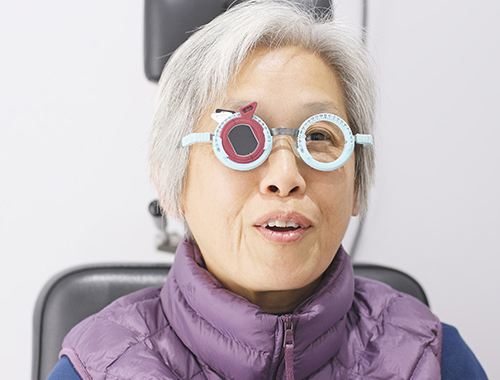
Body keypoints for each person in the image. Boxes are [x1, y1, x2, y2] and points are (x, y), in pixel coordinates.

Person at [47, 1, 487, 379]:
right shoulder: (94, 369)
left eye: (318, 137)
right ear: (172, 183)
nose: (285, 175)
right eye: (240, 139)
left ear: (358, 185)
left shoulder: (435, 361)